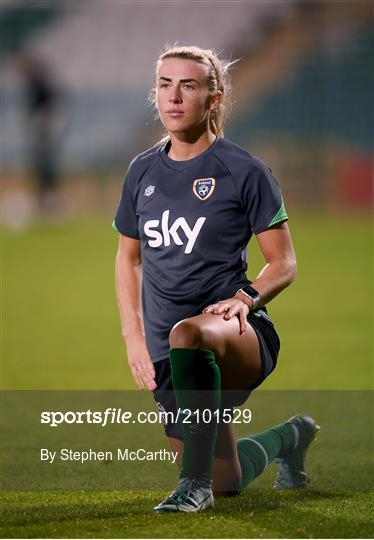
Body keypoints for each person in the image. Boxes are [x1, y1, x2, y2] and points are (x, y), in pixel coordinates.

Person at [113, 45, 319, 513]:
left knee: (189, 334)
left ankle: (192, 488)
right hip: (167, 351)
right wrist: (133, 337)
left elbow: (283, 262)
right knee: (228, 479)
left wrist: (246, 298)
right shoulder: (141, 170)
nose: (174, 96)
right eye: (165, 85)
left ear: (214, 98)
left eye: (189, 85)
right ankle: (291, 436)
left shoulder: (244, 170)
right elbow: (127, 258)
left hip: (236, 333)